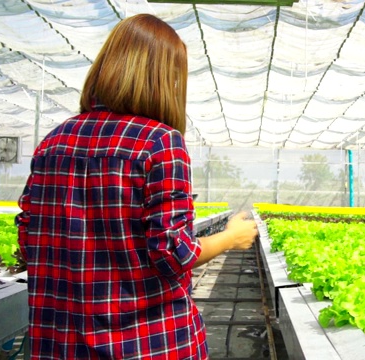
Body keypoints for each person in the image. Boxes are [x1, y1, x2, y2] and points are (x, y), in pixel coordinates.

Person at [15, 13, 257, 359]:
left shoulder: (53, 143)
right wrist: (231, 237)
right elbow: (173, 254)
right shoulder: (159, 142)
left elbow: (28, 240)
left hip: (60, 344)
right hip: (148, 344)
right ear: (163, 78)